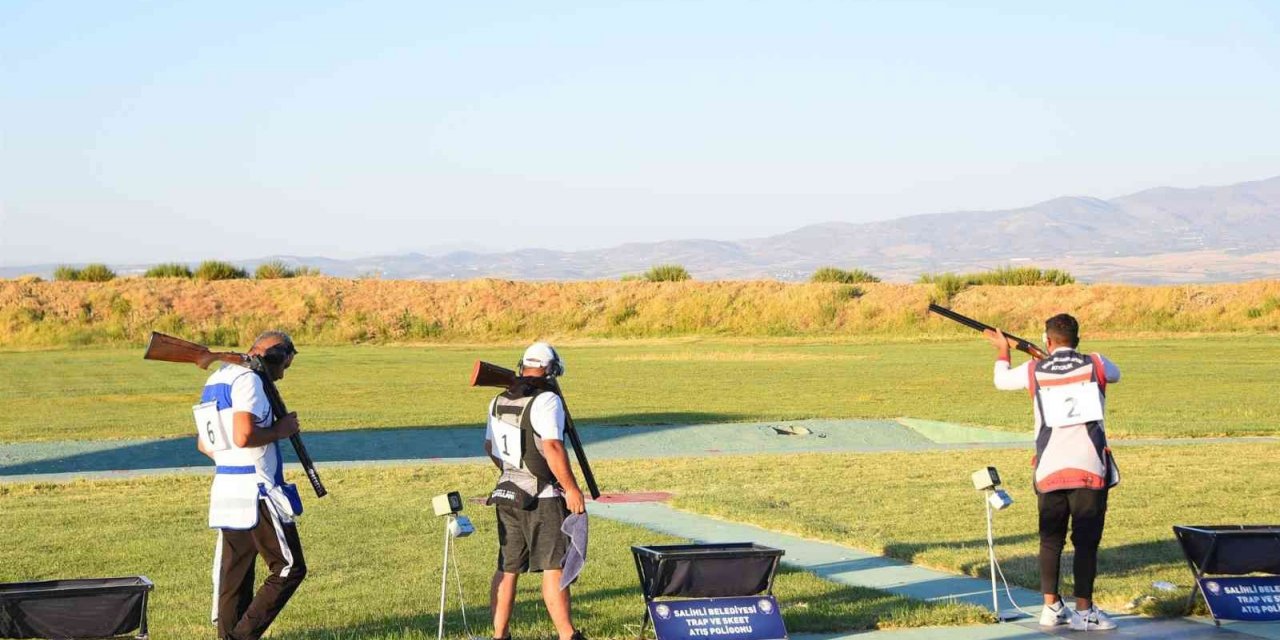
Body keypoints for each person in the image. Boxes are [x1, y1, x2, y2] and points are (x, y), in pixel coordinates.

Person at [987, 314, 1120, 631]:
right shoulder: (1096, 363)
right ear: (1078, 338)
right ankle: (1084, 611)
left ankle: (1051, 607)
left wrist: (1003, 350)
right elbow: (1116, 373)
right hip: (1090, 469)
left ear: (1047, 341)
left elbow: (1000, 380)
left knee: (1050, 542)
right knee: (1086, 543)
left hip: (1048, 469)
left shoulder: (1034, 368)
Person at [196, 331, 306, 640]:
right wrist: (279, 430)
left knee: (236, 575)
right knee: (289, 567)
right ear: (275, 356)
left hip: (226, 489)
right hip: (256, 490)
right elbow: (244, 435)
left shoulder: (218, 378)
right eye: (285, 365)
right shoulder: (251, 381)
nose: (283, 374)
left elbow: (204, 444)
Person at [484, 342, 588, 640]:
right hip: (543, 497)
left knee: (507, 567)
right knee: (554, 566)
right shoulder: (547, 401)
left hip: (507, 492)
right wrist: (570, 488)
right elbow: (553, 447)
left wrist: (513, 472)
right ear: (551, 369)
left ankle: (500, 635)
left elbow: (490, 447)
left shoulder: (497, 400)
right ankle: (568, 635)